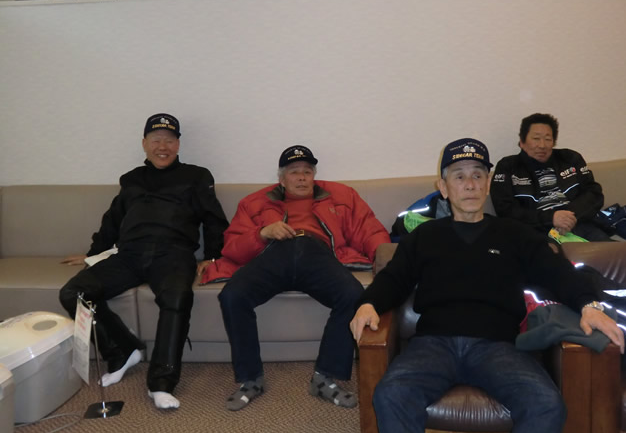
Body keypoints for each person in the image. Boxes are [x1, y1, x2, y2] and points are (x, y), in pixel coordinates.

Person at [350, 137, 624, 433]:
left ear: (488, 183)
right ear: (443, 187)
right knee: (390, 395)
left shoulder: (516, 234)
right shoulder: (424, 236)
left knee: (547, 404)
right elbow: (393, 278)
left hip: (498, 347)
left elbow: (559, 273)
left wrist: (589, 305)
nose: (470, 185)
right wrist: (368, 304)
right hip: (433, 345)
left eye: (478, 175)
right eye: (459, 177)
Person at [59, 113, 228, 410]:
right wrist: (93, 253)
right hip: (129, 255)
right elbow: (113, 220)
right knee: (73, 292)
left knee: (177, 298)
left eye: (169, 141)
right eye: (156, 140)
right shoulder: (131, 179)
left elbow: (214, 219)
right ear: (144, 143)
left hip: (173, 254)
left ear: (178, 145)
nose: (163, 147)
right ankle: (122, 351)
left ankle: (161, 383)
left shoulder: (197, 176)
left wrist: (213, 256)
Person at [209, 145, 390, 411]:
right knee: (232, 295)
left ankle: (325, 377)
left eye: (307, 171)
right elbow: (231, 248)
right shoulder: (254, 202)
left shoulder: (343, 196)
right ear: (282, 179)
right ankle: (251, 379)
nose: (302, 177)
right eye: (294, 172)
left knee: (354, 296)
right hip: (275, 254)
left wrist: (387, 261)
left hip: (316, 253)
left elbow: (369, 229)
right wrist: (263, 233)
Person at [490, 113, 611, 242]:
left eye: (548, 139)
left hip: (578, 223)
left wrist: (567, 217)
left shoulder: (570, 158)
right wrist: (551, 218)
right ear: (522, 142)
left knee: (614, 251)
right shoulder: (508, 166)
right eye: (536, 138)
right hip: (536, 231)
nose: (542, 145)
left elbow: (594, 194)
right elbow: (505, 209)